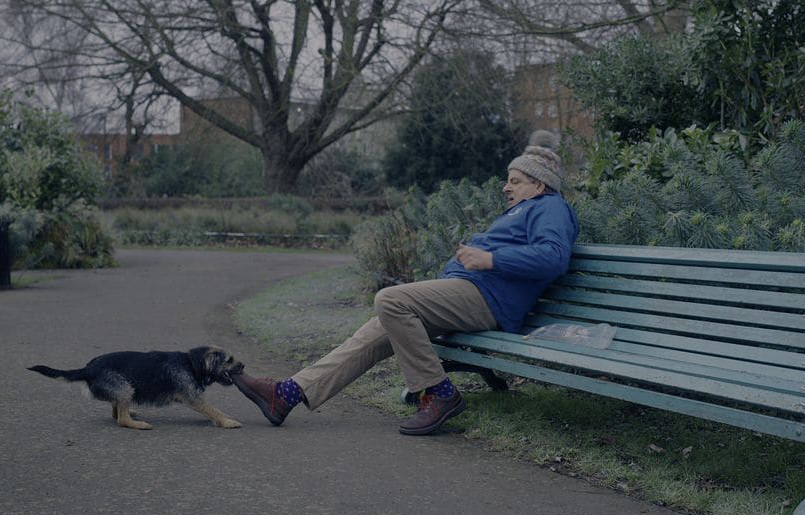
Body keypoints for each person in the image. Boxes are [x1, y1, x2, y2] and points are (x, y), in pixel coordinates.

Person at [233, 130, 579, 435]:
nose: (506, 186)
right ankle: (287, 395)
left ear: (539, 184)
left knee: (392, 300)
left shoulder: (550, 207)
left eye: (515, 181)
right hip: (472, 292)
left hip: (488, 299)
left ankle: (440, 394)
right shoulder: (527, 208)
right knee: (377, 328)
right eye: (508, 179)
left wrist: (490, 258)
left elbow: (554, 257)